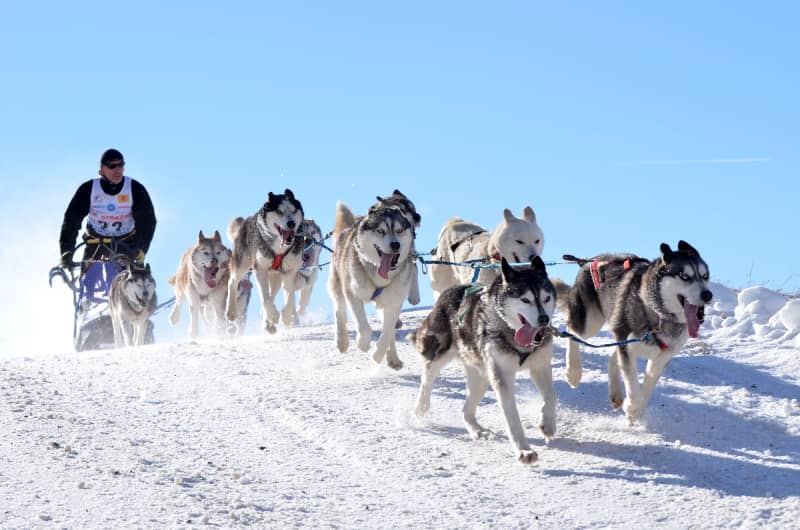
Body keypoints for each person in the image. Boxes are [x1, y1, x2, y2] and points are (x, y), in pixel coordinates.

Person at [59, 149, 156, 269]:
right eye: (112, 166)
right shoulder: (88, 189)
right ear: (102, 170)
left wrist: (141, 248)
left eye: (121, 165)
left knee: (128, 282)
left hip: (125, 243)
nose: (117, 169)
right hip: (95, 243)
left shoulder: (135, 189)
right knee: (88, 282)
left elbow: (147, 221)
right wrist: (67, 251)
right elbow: (71, 221)